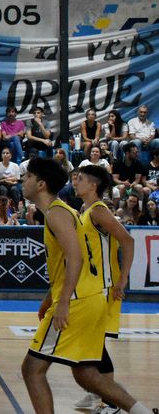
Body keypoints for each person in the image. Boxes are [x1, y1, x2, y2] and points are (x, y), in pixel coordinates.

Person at [21, 157, 154, 414]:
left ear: (40, 184)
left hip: (78, 300)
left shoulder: (58, 213)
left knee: (32, 370)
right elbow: (66, 263)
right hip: (89, 297)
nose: (22, 181)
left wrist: (61, 303)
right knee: (86, 373)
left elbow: (76, 258)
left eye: (27, 177)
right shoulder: (69, 211)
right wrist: (50, 298)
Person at [73, 165, 138, 413]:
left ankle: (111, 402)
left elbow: (128, 240)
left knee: (95, 345)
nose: (76, 182)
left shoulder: (99, 211)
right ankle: (95, 392)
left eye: (80, 180)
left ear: (94, 186)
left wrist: (122, 280)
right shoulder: (86, 211)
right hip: (90, 286)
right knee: (90, 344)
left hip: (103, 287)